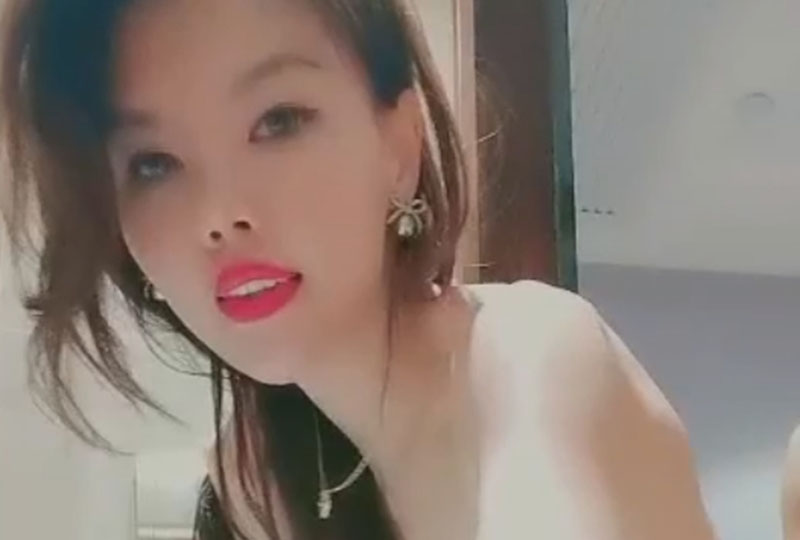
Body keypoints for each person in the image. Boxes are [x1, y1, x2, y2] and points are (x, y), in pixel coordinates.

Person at [0, 0, 716, 539]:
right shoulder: (256, 472)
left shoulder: (532, 355)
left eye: (278, 121)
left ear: (399, 147)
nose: (217, 214)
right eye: (153, 163)